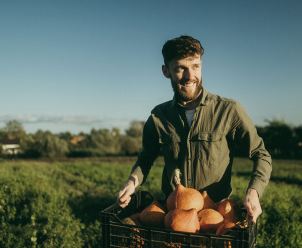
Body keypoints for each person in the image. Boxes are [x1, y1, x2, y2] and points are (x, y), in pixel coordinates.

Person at [117, 35, 272, 223]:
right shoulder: (159, 117)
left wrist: (254, 191)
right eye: (181, 68)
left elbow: (260, 154)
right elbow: (146, 157)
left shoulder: (229, 111)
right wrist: (132, 181)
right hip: (172, 214)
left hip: (216, 215)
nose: (190, 76)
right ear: (166, 71)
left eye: (195, 66)